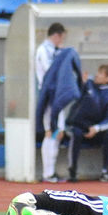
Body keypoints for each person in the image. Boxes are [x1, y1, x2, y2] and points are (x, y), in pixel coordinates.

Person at [36, 35, 82, 183]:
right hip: (50, 99)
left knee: (57, 135)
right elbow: (49, 71)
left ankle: (50, 172)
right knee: (50, 134)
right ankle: (47, 173)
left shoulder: (56, 53)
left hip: (56, 98)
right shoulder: (44, 51)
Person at [65, 64, 108, 182]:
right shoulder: (88, 83)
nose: (96, 74)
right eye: (98, 72)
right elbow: (74, 94)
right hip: (79, 125)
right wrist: (81, 82)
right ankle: (72, 170)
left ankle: (106, 171)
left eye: (101, 73)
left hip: (97, 130)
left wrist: (96, 128)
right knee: (76, 133)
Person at [35, 22, 67, 92]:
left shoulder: (55, 50)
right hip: (46, 90)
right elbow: (49, 69)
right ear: (56, 36)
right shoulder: (43, 50)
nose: (62, 41)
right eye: (62, 38)